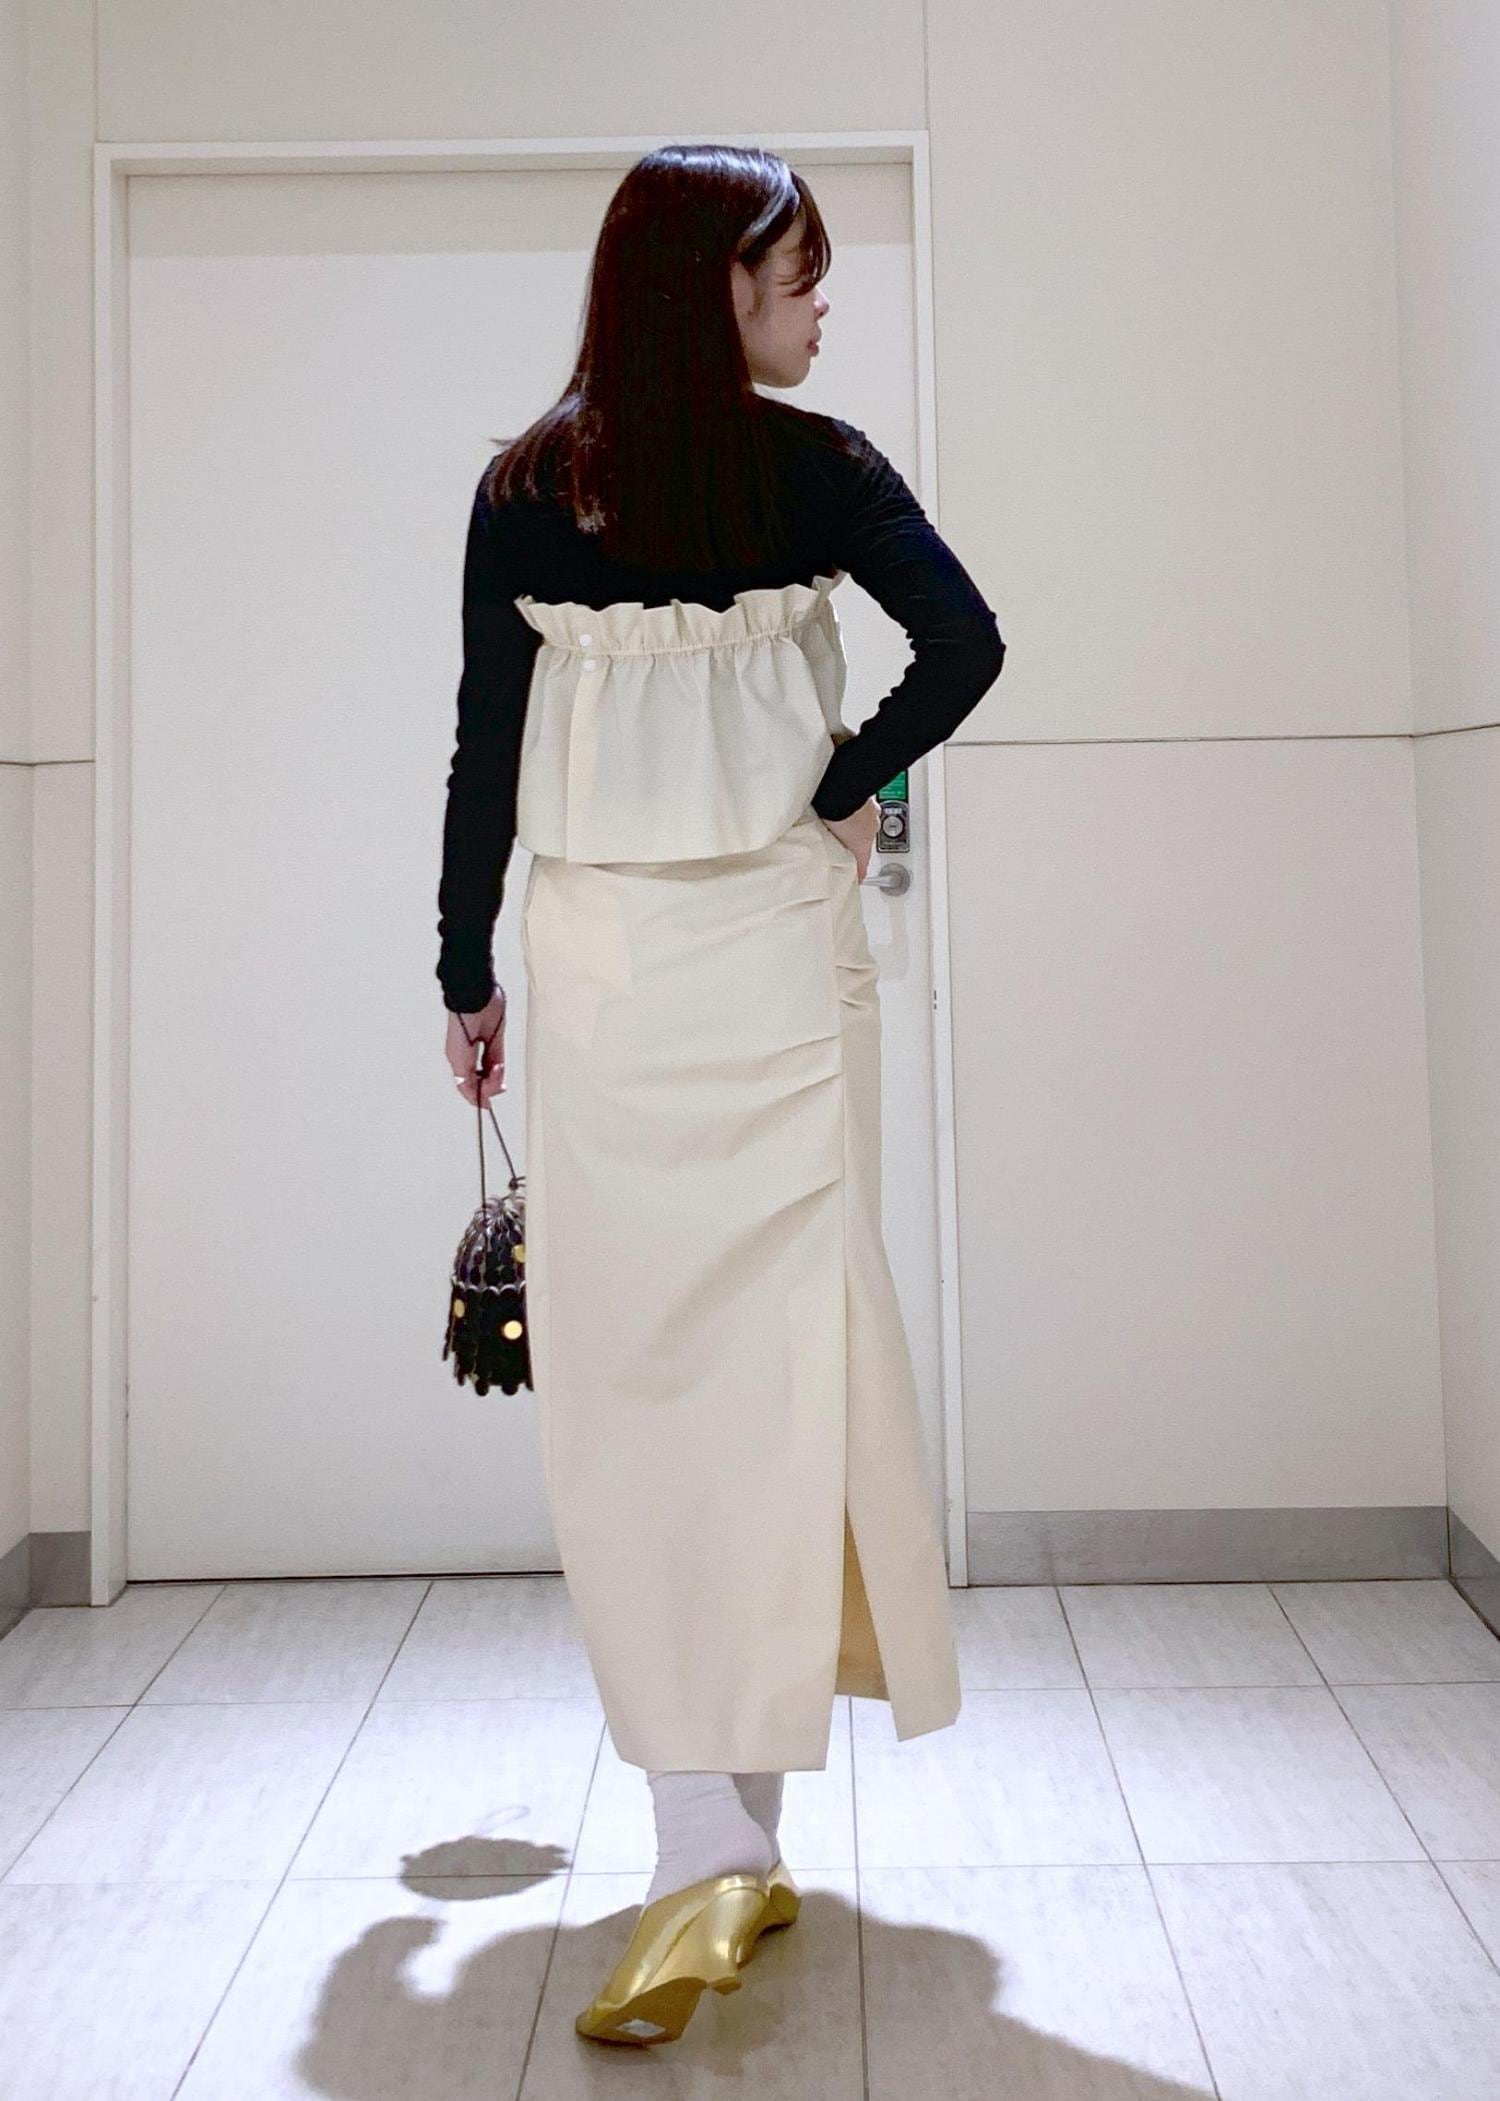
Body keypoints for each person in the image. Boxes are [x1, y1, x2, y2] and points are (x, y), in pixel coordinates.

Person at [434, 143, 1006, 2046]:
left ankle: (710, 1834)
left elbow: (485, 748)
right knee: (770, 1370)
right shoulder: (816, 471)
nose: (822, 303)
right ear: (715, 292)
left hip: (604, 970)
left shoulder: (527, 490)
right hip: (767, 961)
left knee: (642, 1382)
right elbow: (968, 645)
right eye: (796, 273)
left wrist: (464, 970)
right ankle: (715, 1835)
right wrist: (847, 779)